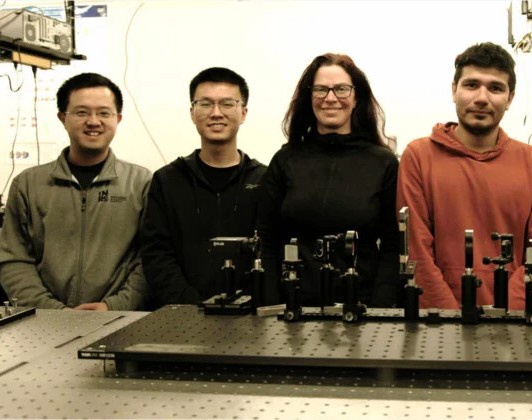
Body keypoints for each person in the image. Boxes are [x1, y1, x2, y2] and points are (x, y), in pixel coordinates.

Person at [397, 42, 532, 310]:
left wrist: (504, 315)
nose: (482, 98)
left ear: (510, 98)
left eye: (495, 88)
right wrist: (449, 318)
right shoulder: (418, 157)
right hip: (438, 322)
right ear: (454, 90)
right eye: (471, 85)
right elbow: (416, 251)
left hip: (510, 322)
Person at [258, 53, 399, 307]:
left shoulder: (384, 163)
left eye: (341, 89)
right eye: (321, 89)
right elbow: (266, 240)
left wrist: (380, 310)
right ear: (309, 97)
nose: (330, 98)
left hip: (362, 309)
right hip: (293, 310)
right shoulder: (285, 160)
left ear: (356, 98)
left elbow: (392, 247)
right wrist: (270, 305)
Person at [0, 72, 150, 310]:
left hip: (119, 318)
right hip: (43, 322)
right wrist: (54, 312)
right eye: (82, 112)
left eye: (104, 113)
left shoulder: (141, 183)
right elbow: (13, 259)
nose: (93, 121)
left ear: (118, 119)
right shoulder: (28, 184)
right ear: (63, 117)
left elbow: (150, 258)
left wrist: (114, 306)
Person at [141, 67, 267, 308]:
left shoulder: (265, 180)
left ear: (243, 113)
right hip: (182, 315)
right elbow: (156, 254)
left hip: (250, 315)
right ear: (192, 112)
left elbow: (272, 252)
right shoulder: (168, 180)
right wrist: (191, 306)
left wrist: (247, 303)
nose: (216, 113)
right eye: (206, 104)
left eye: (227, 104)